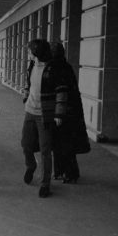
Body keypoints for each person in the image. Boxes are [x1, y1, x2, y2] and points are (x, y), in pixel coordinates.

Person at [21, 39, 67, 198]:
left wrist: (59, 113)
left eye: (29, 51)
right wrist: (25, 95)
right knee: (26, 144)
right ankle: (30, 166)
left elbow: (61, 91)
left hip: (44, 115)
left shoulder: (52, 69)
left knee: (45, 150)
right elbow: (28, 83)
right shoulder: (32, 65)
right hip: (29, 112)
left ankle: (45, 184)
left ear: (36, 52)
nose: (28, 53)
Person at [50, 42, 90, 184]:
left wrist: (59, 113)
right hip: (71, 111)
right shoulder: (65, 66)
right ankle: (66, 172)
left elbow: (61, 92)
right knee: (66, 144)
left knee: (62, 144)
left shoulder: (56, 67)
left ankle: (67, 173)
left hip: (65, 111)